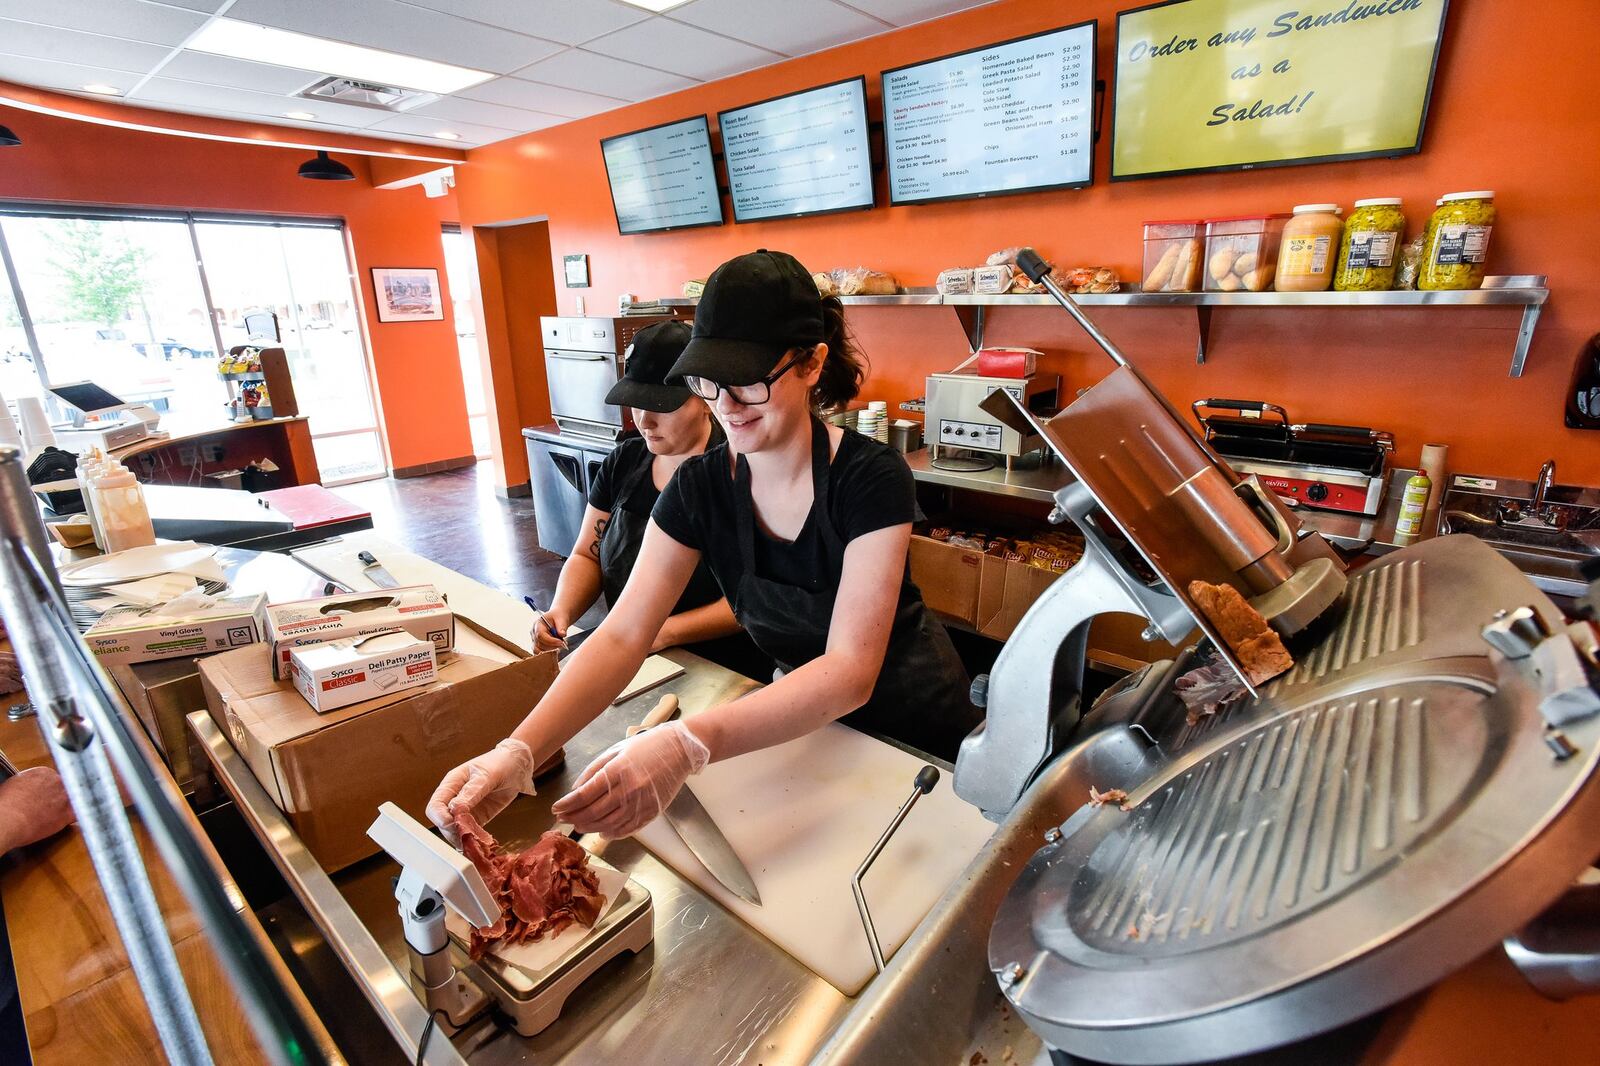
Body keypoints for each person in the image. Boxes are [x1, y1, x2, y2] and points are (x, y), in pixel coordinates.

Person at [429, 250, 980, 841]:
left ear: (813, 363)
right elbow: (621, 633)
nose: (726, 405)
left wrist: (691, 741)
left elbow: (849, 671)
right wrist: (518, 748)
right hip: (803, 723)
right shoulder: (701, 486)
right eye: (707, 382)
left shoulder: (869, 479)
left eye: (748, 382)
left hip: (916, 735)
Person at [531, 320, 767, 679]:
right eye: (636, 404)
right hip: (636, 660)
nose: (645, 421)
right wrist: (560, 611)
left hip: (726, 670)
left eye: (662, 405)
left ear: (705, 398)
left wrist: (662, 632)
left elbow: (754, 598)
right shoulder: (624, 462)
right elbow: (586, 555)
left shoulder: (743, 473)